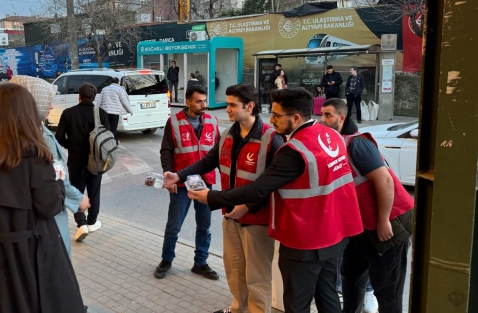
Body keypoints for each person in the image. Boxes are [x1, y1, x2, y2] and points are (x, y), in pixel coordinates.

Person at [179, 88, 364, 313]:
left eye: (276, 115)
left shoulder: (293, 149)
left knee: (297, 304)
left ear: (296, 118)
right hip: (334, 233)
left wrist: (212, 197)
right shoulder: (330, 135)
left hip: (304, 239)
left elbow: (258, 189)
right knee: (327, 297)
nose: (271, 120)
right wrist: (180, 176)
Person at [0, 83, 85, 313]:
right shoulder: (35, 154)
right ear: (28, 112)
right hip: (29, 251)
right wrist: (59, 182)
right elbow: (50, 205)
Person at [165, 83, 284, 313]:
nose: (226, 109)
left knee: (257, 278)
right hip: (230, 217)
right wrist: (177, 175)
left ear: (249, 106)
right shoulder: (229, 134)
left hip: (256, 220)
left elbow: (274, 185)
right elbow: (208, 161)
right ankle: (238, 308)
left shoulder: (272, 139)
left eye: (232, 105)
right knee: (234, 270)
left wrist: (247, 205)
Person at [320, 99, 414, 313]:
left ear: (341, 118)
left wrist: (383, 221)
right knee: (351, 275)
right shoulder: (335, 144)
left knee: (387, 288)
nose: (322, 120)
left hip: (389, 222)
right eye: (322, 114)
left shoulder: (357, 144)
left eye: (328, 115)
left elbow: (385, 181)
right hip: (360, 225)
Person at [10, 75, 91, 257]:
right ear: (32, 102)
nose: (52, 106)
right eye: (47, 101)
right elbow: (57, 176)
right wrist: (78, 200)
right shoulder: (39, 136)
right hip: (46, 221)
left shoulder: (3, 132)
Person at [156, 85, 220, 281]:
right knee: (174, 226)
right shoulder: (174, 122)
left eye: (204, 101)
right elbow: (166, 151)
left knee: (205, 226)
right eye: (199, 101)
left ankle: (200, 262)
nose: (203, 105)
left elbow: (218, 152)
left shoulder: (212, 120)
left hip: (205, 182)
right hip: (181, 182)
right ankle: (166, 260)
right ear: (188, 102)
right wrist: (169, 175)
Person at [56, 83, 111, 242]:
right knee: (94, 192)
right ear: (94, 98)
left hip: (76, 160)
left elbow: (59, 137)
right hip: (96, 161)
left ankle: (81, 224)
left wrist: (71, 146)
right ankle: (92, 221)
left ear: (79, 96)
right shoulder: (101, 114)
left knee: (76, 192)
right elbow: (108, 138)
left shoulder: (68, 113)